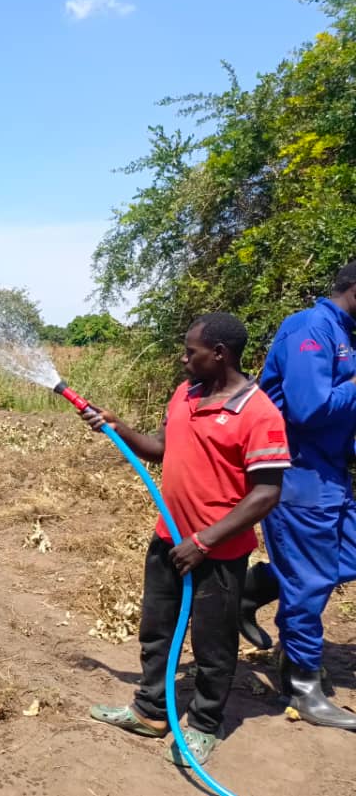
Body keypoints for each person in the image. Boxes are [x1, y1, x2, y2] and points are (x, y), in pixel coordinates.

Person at [83, 313, 289, 767]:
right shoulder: (186, 394)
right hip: (169, 538)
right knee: (156, 630)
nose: (183, 358)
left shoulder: (259, 413)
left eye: (190, 351)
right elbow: (161, 448)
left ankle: (204, 725)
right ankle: (151, 711)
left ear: (219, 353)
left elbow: (267, 492)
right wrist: (117, 428)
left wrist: (204, 541)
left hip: (217, 552)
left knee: (213, 643)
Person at [240, 262, 356, 729]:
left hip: (331, 474)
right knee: (310, 580)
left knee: (336, 561)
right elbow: (310, 408)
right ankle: (303, 683)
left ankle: (253, 590)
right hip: (299, 477)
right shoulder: (311, 328)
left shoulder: (343, 331)